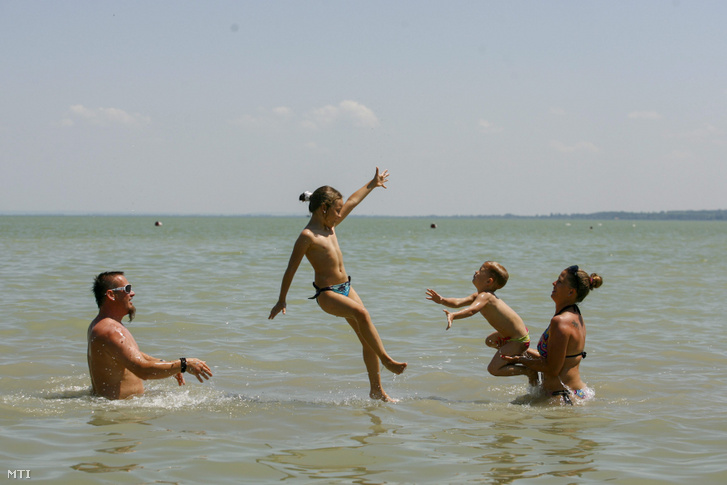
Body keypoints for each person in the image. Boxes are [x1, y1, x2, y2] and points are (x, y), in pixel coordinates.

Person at [269, 168, 407, 402]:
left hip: (346, 287)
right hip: (327, 294)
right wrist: (282, 299)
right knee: (363, 314)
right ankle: (386, 359)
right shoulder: (308, 236)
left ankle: (377, 391)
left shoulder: (330, 226)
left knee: (367, 337)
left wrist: (372, 184)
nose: (340, 214)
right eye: (337, 210)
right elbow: (290, 269)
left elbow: (353, 200)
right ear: (324, 209)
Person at [87, 271, 213, 400]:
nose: (132, 293)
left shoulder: (102, 324)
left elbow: (133, 355)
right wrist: (184, 364)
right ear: (111, 295)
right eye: (127, 289)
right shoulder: (111, 330)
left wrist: (167, 365)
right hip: (119, 413)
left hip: (118, 407)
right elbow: (142, 370)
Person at [426, 261, 538, 386]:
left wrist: (454, 315)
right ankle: (522, 356)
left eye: (480, 270)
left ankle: (529, 371)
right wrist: (442, 300)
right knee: (490, 341)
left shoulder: (486, 297)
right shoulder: (479, 295)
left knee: (493, 369)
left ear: (489, 281)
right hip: (512, 336)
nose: (476, 272)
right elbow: (458, 302)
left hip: (518, 339)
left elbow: (471, 310)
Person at [504, 265, 603, 405]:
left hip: (562, 398)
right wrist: (519, 349)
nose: (554, 283)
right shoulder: (574, 314)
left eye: (560, 281)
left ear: (571, 292)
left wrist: (520, 360)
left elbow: (552, 368)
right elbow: (555, 359)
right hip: (576, 393)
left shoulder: (561, 321)